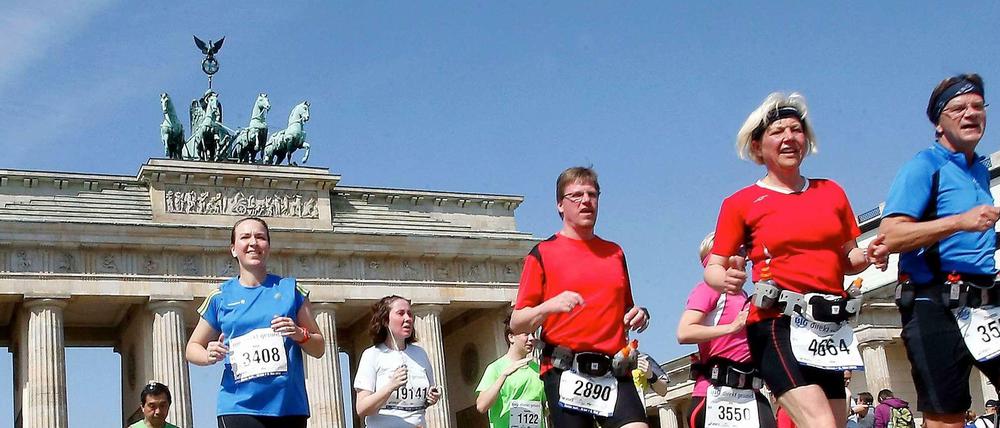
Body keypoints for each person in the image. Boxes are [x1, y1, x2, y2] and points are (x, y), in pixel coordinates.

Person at [704, 92, 889, 428]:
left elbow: (849, 257)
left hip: (828, 329)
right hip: (776, 323)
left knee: (833, 422)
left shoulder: (832, 191)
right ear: (758, 147)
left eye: (796, 130)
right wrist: (726, 279)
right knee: (822, 424)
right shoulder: (741, 203)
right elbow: (715, 267)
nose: (789, 138)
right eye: (778, 132)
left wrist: (872, 254)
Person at [880, 74, 1000, 428]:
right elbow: (891, 235)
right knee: (947, 417)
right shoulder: (923, 166)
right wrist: (959, 222)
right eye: (959, 107)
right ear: (938, 122)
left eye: (978, 106)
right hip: (933, 304)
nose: (971, 113)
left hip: (985, 304)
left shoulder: (979, 168)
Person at [510, 166, 651, 428]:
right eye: (575, 195)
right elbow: (517, 322)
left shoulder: (615, 253)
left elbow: (626, 309)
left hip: (613, 370)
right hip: (565, 370)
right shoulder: (542, 253)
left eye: (592, 194)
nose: (586, 201)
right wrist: (550, 306)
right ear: (560, 206)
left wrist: (638, 314)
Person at [186, 217, 325, 428]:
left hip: (288, 407)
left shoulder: (291, 291)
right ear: (233, 249)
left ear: (268, 247)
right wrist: (208, 355)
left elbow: (319, 347)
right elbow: (191, 348)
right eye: (245, 237)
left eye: (260, 237)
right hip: (238, 406)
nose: (253, 243)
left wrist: (299, 334)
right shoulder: (220, 296)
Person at [678, 232, 775, 428]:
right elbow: (684, 332)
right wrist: (731, 327)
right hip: (715, 393)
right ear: (723, 258)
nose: (747, 256)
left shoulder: (743, 295)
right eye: (740, 251)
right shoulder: (708, 289)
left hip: (749, 393)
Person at [354, 295, 442, 427]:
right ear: (385, 320)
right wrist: (390, 386)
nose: (408, 319)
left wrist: (431, 398)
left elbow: (424, 398)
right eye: (401, 313)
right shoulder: (372, 355)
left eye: (409, 314)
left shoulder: (420, 354)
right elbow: (362, 409)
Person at [475, 313, 546, 428]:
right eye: (526, 334)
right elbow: (481, 406)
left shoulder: (537, 369)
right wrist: (504, 375)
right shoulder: (495, 369)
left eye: (533, 334)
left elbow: (545, 407)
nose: (531, 338)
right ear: (511, 337)